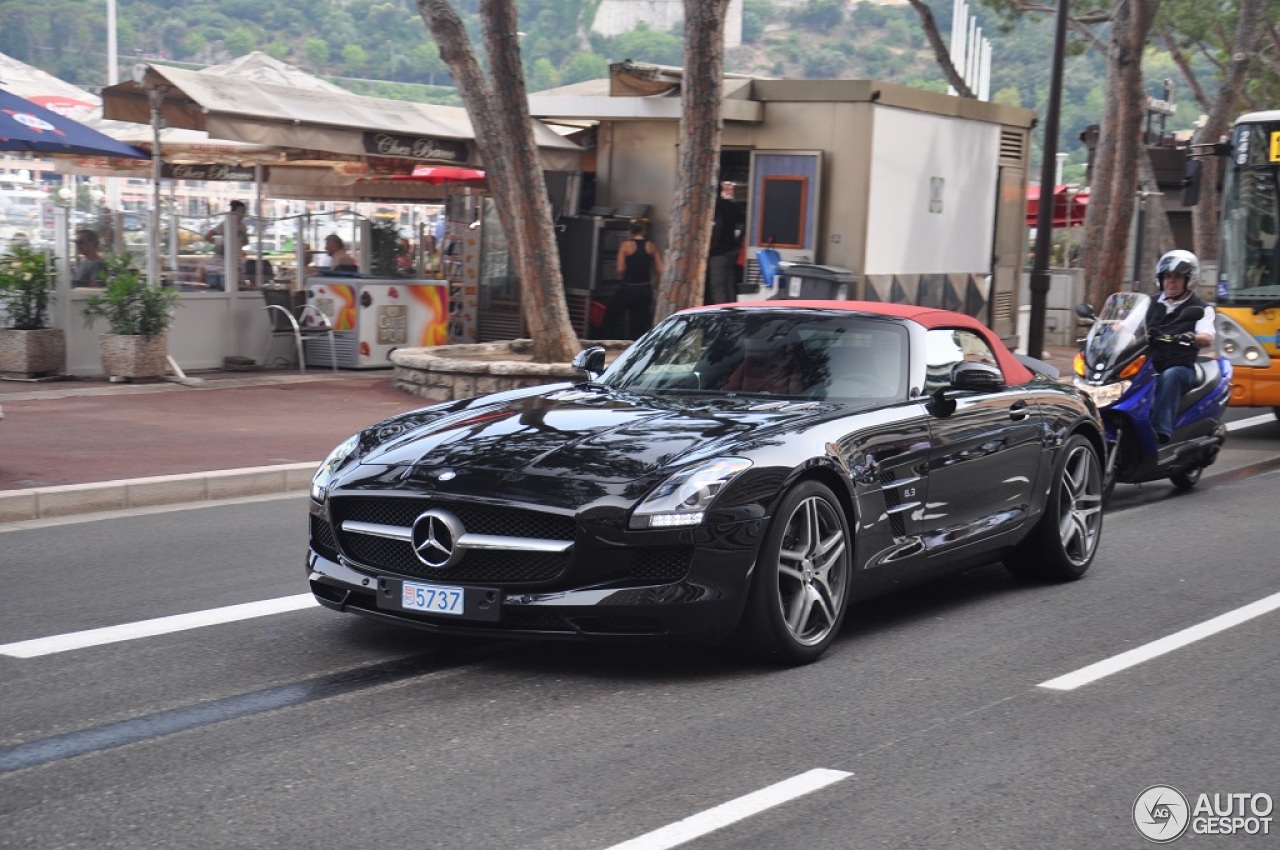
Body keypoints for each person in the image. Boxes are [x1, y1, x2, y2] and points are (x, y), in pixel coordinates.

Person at [1146, 249, 1216, 444]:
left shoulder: (1202, 308)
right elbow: (1126, 325)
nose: (1171, 281)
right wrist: (1108, 327)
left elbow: (1206, 337)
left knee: (1171, 376)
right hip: (1149, 365)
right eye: (1167, 276)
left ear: (1189, 279)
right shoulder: (1148, 303)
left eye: (1177, 277)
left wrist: (1191, 337)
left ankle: (1160, 432)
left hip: (1181, 368)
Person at [608, 220, 663, 338]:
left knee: (611, 314)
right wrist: (655, 284)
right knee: (639, 324)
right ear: (644, 231)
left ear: (630, 231)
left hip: (628, 288)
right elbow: (660, 269)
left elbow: (620, 269)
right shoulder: (651, 246)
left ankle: (608, 340)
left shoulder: (625, 245)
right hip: (644, 288)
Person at [706, 183, 744, 305]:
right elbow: (743, 222)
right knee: (729, 285)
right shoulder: (731, 205)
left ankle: (721, 316)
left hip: (718, 253)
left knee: (718, 287)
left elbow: (718, 226)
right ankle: (733, 313)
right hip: (732, 250)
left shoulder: (714, 207)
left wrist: (711, 247)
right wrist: (739, 240)